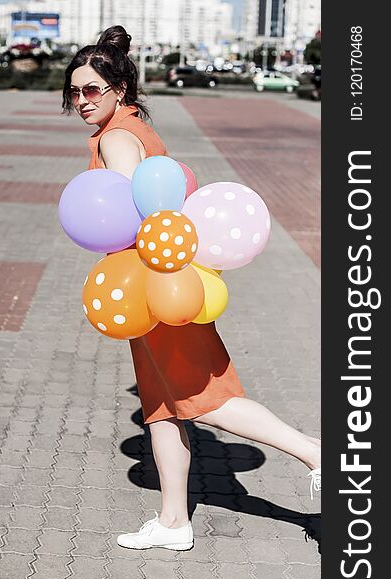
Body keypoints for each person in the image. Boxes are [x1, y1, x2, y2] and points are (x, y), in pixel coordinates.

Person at [62, 25, 321, 552]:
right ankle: (174, 522)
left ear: (120, 90)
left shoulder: (116, 138)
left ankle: (319, 455)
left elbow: (145, 214)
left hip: (156, 290)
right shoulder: (136, 129)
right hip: (152, 290)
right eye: (73, 91)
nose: (81, 101)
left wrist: (135, 273)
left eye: (91, 90)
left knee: (205, 400)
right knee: (162, 407)